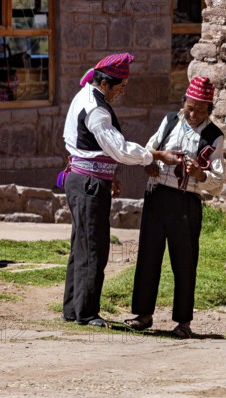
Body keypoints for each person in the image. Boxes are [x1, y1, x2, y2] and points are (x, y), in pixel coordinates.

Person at [61, 53, 180, 327]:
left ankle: (73, 308)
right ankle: (87, 313)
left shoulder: (86, 96)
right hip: (88, 184)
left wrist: (108, 173)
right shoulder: (97, 110)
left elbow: (94, 149)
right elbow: (118, 148)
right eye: (121, 87)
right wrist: (155, 156)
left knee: (82, 246)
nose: (122, 92)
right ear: (106, 84)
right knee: (94, 249)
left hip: (86, 179)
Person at [124, 76, 226, 338]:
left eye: (200, 109)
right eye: (190, 107)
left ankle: (183, 322)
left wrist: (200, 175)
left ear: (209, 110)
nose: (193, 113)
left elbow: (218, 182)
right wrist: (150, 161)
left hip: (186, 204)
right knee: (148, 255)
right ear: (184, 103)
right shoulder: (170, 120)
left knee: (184, 261)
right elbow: (151, 147)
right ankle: (143, 314)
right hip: (157, 195)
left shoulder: (214, 136)